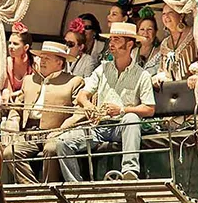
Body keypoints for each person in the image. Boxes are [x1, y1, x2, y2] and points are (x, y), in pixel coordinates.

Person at [56, 22, 156, 182]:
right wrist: (90, 107)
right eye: (111, 39)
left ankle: (130, 173)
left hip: (121, 127)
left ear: (129, 44)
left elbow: (149, 109)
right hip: (99, 126)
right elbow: (83, 95)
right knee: (62, 142)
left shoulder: (141, 75)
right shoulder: (102, 69)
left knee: (131, 119)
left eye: (116, 39)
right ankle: (76, 186)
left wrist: (122, 110)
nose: (111, 43)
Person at [3, 41, 84, 184]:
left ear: (59, 63)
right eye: (41, 58)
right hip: (29, 133)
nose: (42, 61)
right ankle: (32, 188)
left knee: (52, 149)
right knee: (10, 152)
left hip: (55, 132)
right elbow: (17, 107)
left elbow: (80, 112)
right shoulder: (29, 80)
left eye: (47, 58)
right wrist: (13, 120)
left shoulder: (74, 82)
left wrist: (61, 130)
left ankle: (49, 189)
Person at [154, 4, 198, 89]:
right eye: (164, 14)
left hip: (193, 90)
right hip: (173, 93)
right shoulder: (165, 44)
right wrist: (160, 76)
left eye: (170, 12)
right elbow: (162, 69)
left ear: (181, 16)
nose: (166, 16)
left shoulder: (194, 34)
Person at [1, 22, 34, 104]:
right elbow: (8, 90)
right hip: (12, 102)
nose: (11, 47)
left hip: (29, 101)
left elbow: (33, 89)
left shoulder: (35, 63)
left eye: (15, 44)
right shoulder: (7, 62)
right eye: (10, 43)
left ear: (26, 47)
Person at [135, 7, 162, 75]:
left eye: (149, 29)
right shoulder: (132, 52)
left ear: (155, 31)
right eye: (142, 29)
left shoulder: (161, 53)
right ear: (137, 32)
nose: (145, 33)